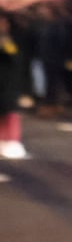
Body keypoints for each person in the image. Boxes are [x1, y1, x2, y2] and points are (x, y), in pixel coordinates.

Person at [0, 12, 28, 159]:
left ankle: (12, 141)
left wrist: (7, 45)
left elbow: (17, 59)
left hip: (10, 83)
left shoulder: (13, 39)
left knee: (10, 113)